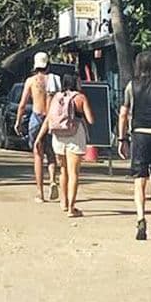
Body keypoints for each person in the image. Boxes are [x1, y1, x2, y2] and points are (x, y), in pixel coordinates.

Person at [117, 50, 151, 240]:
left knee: (139, 181)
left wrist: (122, 139)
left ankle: (141, 219)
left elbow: (123, 114)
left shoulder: (131, 87)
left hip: (139, 136)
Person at [14, 52, 58, 202]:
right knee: (51, 153)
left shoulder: (31, 81)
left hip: (37, 117)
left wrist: (18, 121)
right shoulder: (54, 79)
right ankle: (52, 180)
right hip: (51, 118)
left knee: (37, 155)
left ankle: (40, 192)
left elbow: (22, 104)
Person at [45, 84, 94, 215]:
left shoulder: (57, 97)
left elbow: (49, 116)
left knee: (63, 171)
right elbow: (90, 119)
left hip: (58, 136)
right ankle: (72, 208)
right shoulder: (80, 98)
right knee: (74, 173)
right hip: (75, 135)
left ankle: (63, 202)